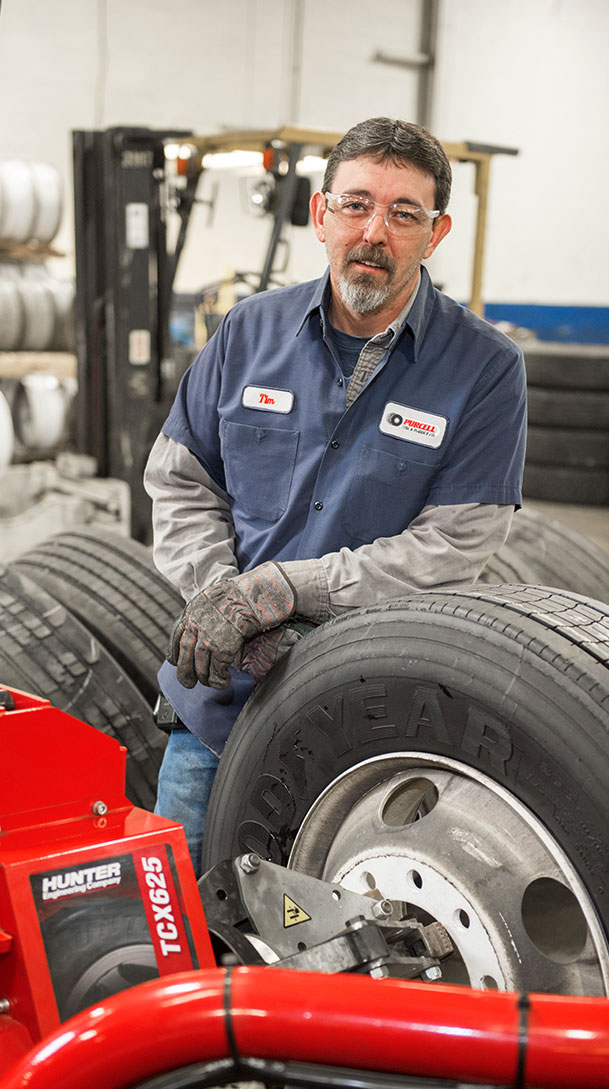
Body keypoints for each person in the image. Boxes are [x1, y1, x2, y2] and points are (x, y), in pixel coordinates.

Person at [144, 116, 527, 873]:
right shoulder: (246, 333)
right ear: (321, 215)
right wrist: (225, 598)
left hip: (372, 728)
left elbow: (451, 548)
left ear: (436, 233)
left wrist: (285, 591)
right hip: (220, 705)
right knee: (179, 909)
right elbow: (181, 484)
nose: (374, 232)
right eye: (356, 205)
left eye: (404, 213)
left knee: (334, 918)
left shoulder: (486, 370)